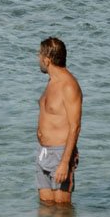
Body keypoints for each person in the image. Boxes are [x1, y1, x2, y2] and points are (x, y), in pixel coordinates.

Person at [36, 36, 82, 205]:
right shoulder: (51, 82)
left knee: (62, 211)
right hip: (43, 152)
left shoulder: (69, 86)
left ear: (47, 60)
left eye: (39, 54)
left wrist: (64, 162)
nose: (38, 58)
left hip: (60, 153)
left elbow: (75, 127)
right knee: (45, 207)